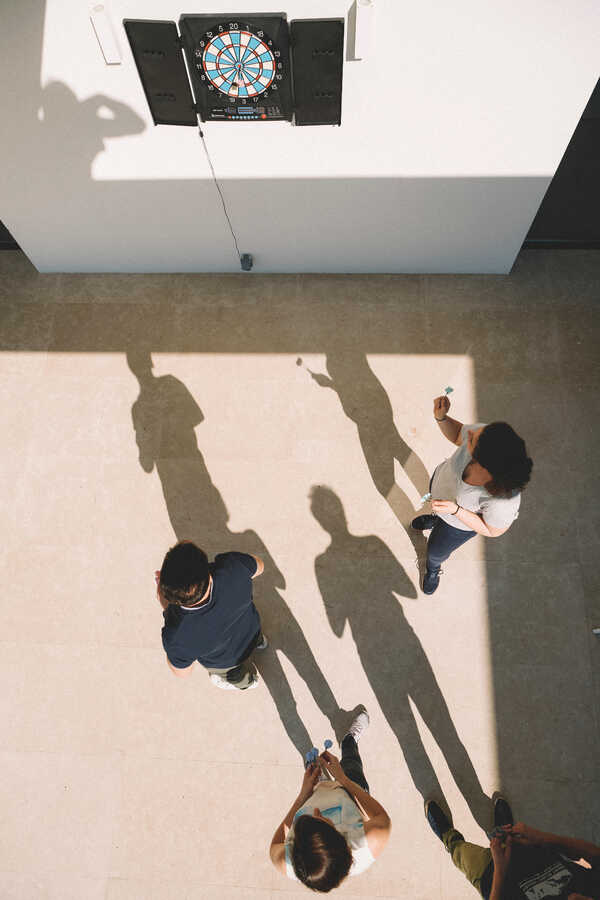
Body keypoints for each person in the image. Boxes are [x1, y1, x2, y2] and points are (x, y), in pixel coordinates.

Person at [412, 395, 533, 594]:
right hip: (442, 488)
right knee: (437, 508)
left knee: (435, 551)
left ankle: (433, 569)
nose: (472, 432)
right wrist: (442, 418)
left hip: (458, 525)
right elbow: (459, 433)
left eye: (473, 439)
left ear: (485, 465)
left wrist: (456, 510)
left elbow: (492, 530)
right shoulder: (487, 436)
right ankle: (436, 518)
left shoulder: (505, 500)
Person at [270, 709, 391, 891]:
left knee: (315, 773)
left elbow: (275, 846)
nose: (316, 810)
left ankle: (318, 776)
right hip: (352, 794)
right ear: (341, 838)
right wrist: (343, 778)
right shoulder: (368, 842)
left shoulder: (285, 862)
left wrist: (304, 795)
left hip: (313, 792)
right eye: (321, 819)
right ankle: (349, 741)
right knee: (351, 761)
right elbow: (381, 817)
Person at [425, 795, 600, 899]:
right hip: (533, 850)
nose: (574, 897)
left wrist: (500, 869)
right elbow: (596, 855)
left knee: (462, 854)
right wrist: (543, 838)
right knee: (506, 835)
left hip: (491, 873)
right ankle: (504, 832)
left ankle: (449, 837)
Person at [157, 540, 267, 691]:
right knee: (253, 637)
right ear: (208, 576)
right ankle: (260, 642)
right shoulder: (233, 567)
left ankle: (248, 682)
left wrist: (166, 606)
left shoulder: (178, 638)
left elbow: (182, 672)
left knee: (235, 675)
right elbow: (259, 566)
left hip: (226, 661)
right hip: (251, 629)